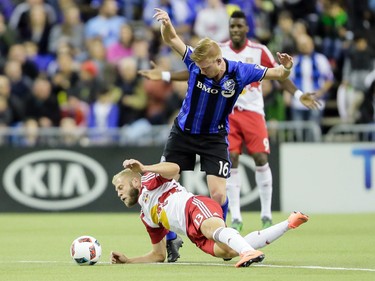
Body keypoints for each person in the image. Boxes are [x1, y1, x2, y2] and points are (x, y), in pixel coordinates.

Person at [139, 11, 319, 233]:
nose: (201, 71)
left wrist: (288, 67)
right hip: (184, 131)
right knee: (166, 182)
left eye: (206, 68)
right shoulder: (196, 61)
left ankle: (220, 234)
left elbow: (279, 74)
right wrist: (166, 24)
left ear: (218, 60)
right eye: (200, 68)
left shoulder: (241, 72)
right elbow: (172, 38)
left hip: (214, 136)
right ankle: (169, 240)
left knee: (218, 194)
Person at [110, 158, 309, 267]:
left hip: (193, 206)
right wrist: (129, 260)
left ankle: (248, 252)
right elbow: (158, 255)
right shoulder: (146, 217)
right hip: (192, 235)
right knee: (228, 251)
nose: (119, 194)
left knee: (211, 228)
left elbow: (175, 169)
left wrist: (144, 168)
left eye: (120, 187)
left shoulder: (148, 180)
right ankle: (289, 223)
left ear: (135, 181)